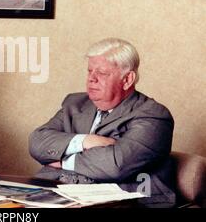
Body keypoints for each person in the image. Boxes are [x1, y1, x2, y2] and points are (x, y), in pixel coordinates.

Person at [28, 38, 176, 207]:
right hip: (59, 194)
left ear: (127, 79)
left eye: (102, 73)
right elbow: (36, 142)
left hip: (125, 202)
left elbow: (116, 164)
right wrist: (85, 141)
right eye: (90, 71)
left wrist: (63, 161)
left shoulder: (153, 115)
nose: (92, 79)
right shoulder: (75, 103)